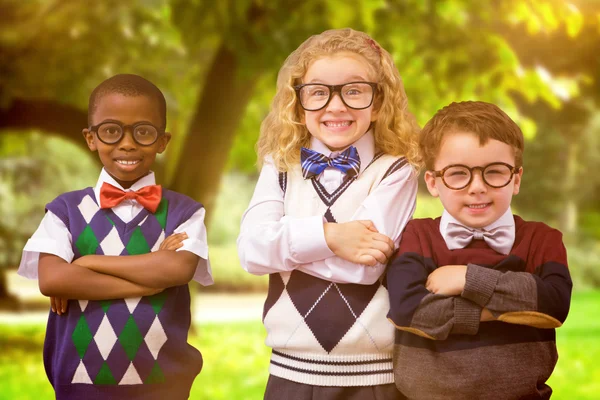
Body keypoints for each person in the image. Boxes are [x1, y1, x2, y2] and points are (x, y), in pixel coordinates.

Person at [237, 28, 420, 399]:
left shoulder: (396, 171)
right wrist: (331, 237)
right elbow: (251, 252)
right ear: (297, 104)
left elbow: (363, 267)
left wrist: (283, 245)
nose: (335, 106)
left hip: (373, 378)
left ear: (378, 102)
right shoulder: (280, 166)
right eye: (318, 92)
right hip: (289, 371)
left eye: (353, 91)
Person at [18, 74, 212, 400]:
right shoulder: (65, 210)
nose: (127, 143)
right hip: (79, 386)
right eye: (111, 131)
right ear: (90, 138)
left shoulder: (185, 212)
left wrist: (87, 263)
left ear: (163, 141)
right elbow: (52, 279)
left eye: (143, 132)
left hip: (164, 387)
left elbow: (175, 270)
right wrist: (149, 280)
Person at [386, 101, 573, 400]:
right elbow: (410, 310)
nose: (477, 187)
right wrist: (514, 309)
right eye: (458, 174)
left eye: (495, 172)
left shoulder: (543, 239)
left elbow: (553, 304)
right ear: (433, 183)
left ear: (516, 179)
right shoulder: (416, 236)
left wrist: (468, 279)